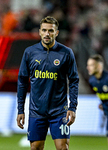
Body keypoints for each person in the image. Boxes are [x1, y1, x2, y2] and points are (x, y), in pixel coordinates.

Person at [17, 16, 79, 150]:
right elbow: (22, 82)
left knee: (63, 148)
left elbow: (74, 81)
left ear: (56, 33)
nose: (47, 34)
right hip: (36, 111)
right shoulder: (29, 53)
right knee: (35, 148)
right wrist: (20, 110)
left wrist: (72, 108)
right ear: (39, 31)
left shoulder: (66, 53)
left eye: (50, 31)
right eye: (44, 30)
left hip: (59, 111)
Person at [87, 54, 108, 150]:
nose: (88, 67)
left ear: (98, 66)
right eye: (88, 65)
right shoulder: (92, 81)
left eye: (91, 65)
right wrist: (103, 104)